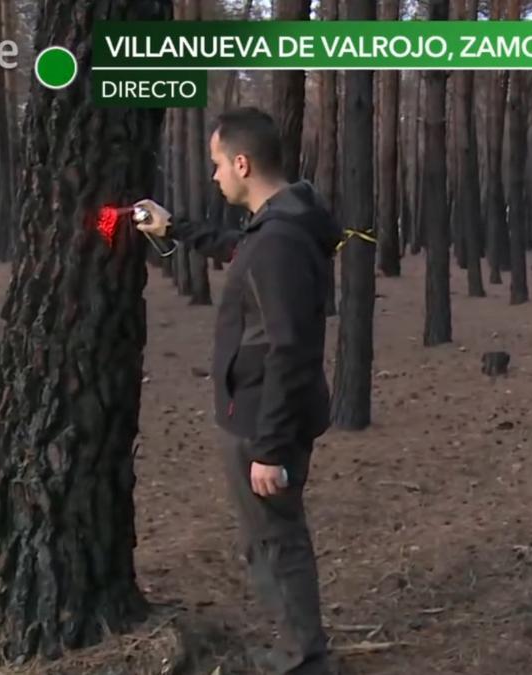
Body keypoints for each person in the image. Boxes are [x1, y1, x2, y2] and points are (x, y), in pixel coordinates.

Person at [133, 107, 341, 675]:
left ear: (243, 163)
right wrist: (175, 229)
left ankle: (304, 660)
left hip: (261, 420)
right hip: (255, 411)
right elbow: (238, 252)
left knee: (274, 541)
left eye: (218, 164)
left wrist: (270, 448)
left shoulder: (278, 241)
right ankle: (300, 650)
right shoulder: (278, 227)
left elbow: (290, 349)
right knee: (268, 540)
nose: (215, 175)